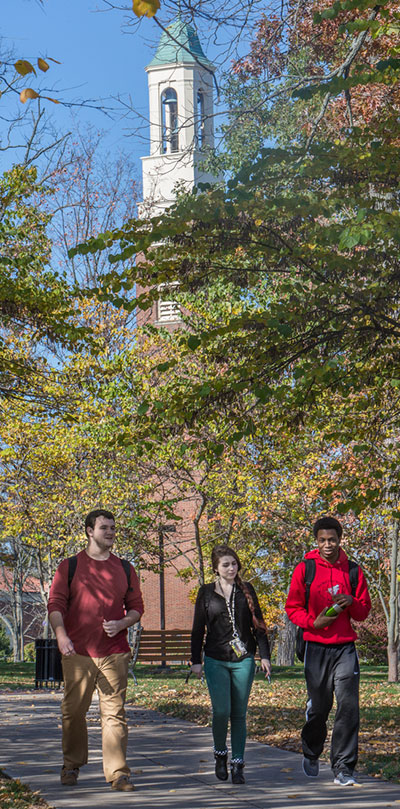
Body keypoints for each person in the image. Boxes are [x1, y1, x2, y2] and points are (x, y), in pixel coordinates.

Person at [48, 508, 144, 793]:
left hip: (114, 651)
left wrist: (123, 622)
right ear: (90, 531)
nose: (111, 532)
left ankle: (118, 774)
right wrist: (61, 635)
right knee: (73, 712)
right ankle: (71, 764)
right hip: (77, 652)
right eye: (105, 528)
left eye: (113, 528)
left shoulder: (125, 568)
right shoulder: (70, 566)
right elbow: (55, 605)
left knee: (114, 713)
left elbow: (137, 607)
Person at [285, 515, 371, 787]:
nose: (327, 544)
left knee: (348, 708)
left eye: (332, 539)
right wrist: (314, 622)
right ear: (317, 541)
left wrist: (351, 601)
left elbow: (363, 613)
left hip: (345, 647)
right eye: (322, 540)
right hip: (316, 647)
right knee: (320, 708)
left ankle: (344, 768)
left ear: (339, 539)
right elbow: (292, 608)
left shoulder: (353, 571)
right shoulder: (305, 569)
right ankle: (311, 749)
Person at [190, 544, 271, 785]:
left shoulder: (246, 590)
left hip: (243, 660)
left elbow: (259, 625)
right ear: (216, 568)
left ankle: (238, 763)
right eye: (225, 564)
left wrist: (264, 656)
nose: (231, 568)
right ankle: (220, 754)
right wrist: (196, 661)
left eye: (234, 563)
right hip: (215, 658)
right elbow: (197, 630)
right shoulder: (206, 593)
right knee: (221, 711)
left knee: (239, 713)